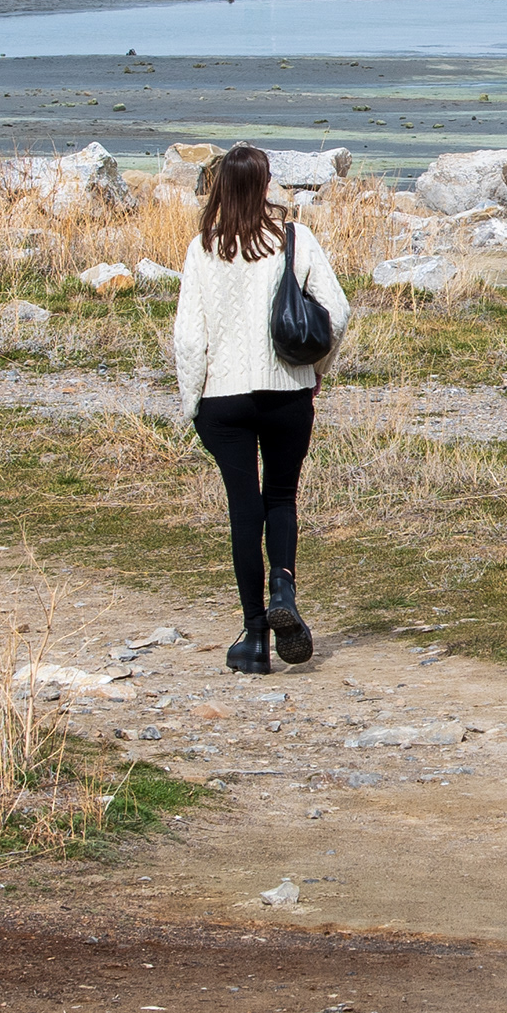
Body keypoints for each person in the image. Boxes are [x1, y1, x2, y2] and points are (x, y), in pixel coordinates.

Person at [171, 144, 350, 673]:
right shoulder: (294, 239)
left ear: (221, 185)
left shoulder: (201, 248)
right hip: (287, 393)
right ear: (266, 184)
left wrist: (191, 404)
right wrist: (317, 370)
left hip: (222, 400)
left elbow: (188, 338)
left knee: (243, 508)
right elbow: (336, 311)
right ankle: (284, 591)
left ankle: (254, 639)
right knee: (281, 497)